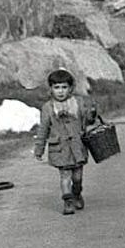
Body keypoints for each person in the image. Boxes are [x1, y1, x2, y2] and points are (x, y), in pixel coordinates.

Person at [33, 68, 101, 215]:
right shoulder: (48, 108)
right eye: (56, 87)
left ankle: (77, 193)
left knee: (77, 177)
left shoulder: (78, 103)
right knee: (65, 176)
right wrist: (39, 149)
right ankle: (68, 202)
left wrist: (92, 115)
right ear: (51, 89)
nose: (60, 91)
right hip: (60, 148)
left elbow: (86, 121)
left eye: (64, 87)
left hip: (78, 147)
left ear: (71, 88)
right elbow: (43, 129)